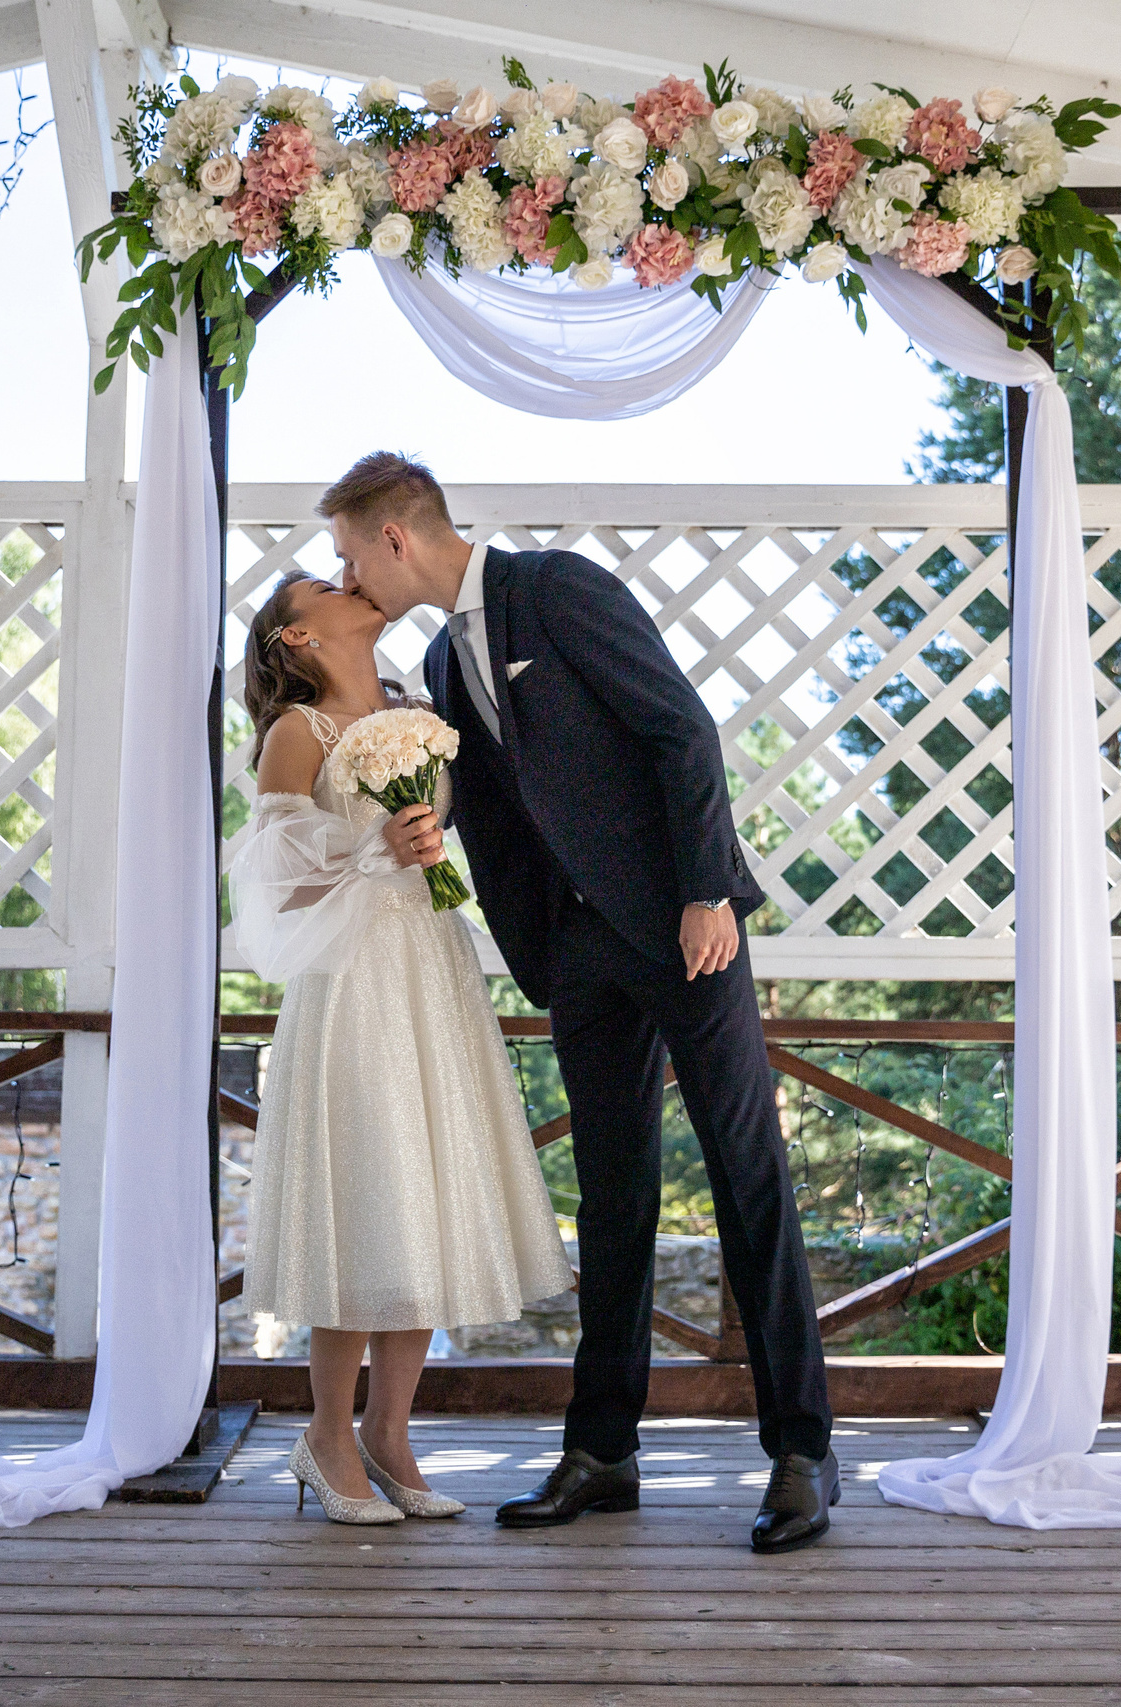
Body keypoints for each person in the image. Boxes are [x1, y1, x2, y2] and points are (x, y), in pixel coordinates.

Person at [326, 452, 838, 1555]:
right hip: (577, 954)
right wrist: (430, 831)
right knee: (611, 1200)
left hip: (683, 928)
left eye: (349, 554)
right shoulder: (442, 668)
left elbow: (680, 730)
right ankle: (603, 1453)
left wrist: (708, 891)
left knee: (747, 1180)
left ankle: (802, 1453)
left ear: (396, 539)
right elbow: (507, 809)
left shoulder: (553, 591)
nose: (348, 575)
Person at [230, 571, 573, 1526]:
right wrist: (373, 847)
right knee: (366, 1194)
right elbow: (273, 883)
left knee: (423, 1190)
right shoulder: (299, 735)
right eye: (322, 588)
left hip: (430, 964)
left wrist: (422, 846)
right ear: (296, 639)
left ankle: (389, 1429)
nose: (350, 585)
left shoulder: (420, 712)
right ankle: (325, 1434)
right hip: (353, 983)